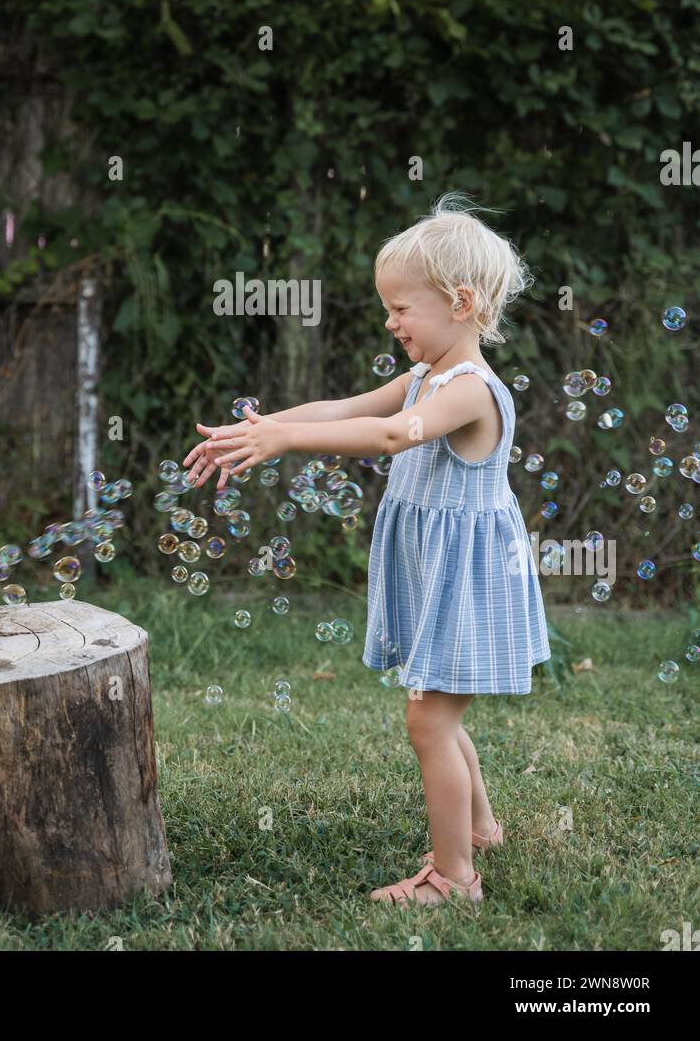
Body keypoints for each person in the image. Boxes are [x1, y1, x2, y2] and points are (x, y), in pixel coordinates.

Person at [182, 193, 551, 908]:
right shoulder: (422, 377)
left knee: (429, 718)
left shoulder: (469, 390)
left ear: (461, 301)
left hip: (466, 581)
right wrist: (263, 428)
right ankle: (479, 826)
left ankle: (453, 880)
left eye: (401, 307)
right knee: (434, 703)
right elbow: (348, 410)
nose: (390, 321)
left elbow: (390, 436)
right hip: (436, 572)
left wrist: (284, 441)